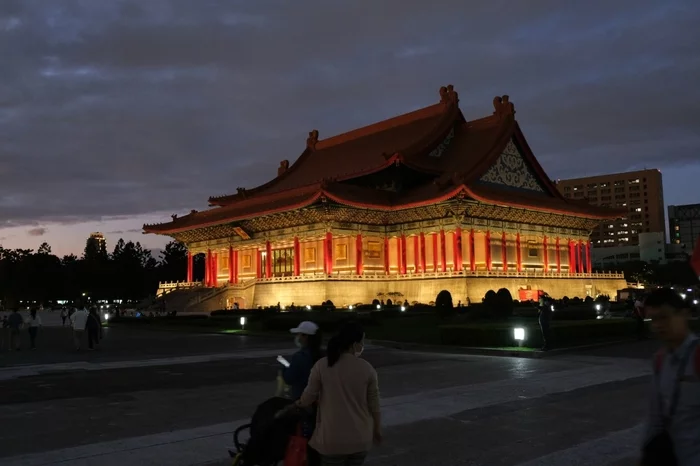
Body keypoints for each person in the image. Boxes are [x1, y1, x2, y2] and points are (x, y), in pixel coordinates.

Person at [291, 322, 381, 466]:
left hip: (331, 441)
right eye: (362, 341)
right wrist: (377, 429)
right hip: (360, 440)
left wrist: (298, 403)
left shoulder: (322, 365)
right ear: (354, 344)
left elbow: (308, 398)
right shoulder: (367, 369)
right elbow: (374, 404)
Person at [640, 287, 700, 466]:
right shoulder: (660, 360)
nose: (658, 325)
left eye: (664, 317)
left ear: (685, 314)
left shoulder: (697, 357)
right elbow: (655, 418)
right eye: (653, 319)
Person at [282, 321, 323, 466]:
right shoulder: (322, 355)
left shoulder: (300, 357)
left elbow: (289, 378)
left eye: (300, 334)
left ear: (306, 337)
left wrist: (284, 369)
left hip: (303, 405)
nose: (298, 337)